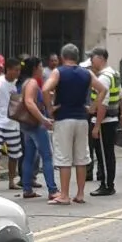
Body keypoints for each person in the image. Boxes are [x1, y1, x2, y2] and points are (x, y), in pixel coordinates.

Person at [43, 43, 106, 205]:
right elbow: (102, 89)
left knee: (64, 158)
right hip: (81, 119)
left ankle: (64, 195)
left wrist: (50, 108)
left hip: (64, 118)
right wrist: (92, 107)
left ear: (63, 57)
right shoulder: (87, 73)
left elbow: (45, 89)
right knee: (81, 157)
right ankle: (80, 194)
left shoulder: (58, 72)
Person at [17, 56, 60, 202]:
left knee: (29, 155)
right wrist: (43, 119)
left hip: (27, 125)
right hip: (35, 125)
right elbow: (29, 102)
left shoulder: (25, 82)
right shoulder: (32, 83)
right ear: (35, 68)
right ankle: (53, 190)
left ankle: (27, 188)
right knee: (46, 156)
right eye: (40, 66)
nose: (42, 70)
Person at [87, 46, 122, 196]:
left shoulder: (103, 77)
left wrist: (96, 126)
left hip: (104, 121)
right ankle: (108, 183)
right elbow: (121, 95)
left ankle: (107, 185)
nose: (91, 61)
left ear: (101, 59)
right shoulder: (114, 73)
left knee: (103, 155)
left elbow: (103, 102)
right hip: (112, 118)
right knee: (109, 153)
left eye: (93, 58)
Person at [0, 55, 23, 191]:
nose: (18, 73)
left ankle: (11, 180)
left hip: (14, 123)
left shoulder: (19, 84)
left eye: (19, 70)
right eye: (16, 70)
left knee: (14, 154)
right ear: (8, 70)